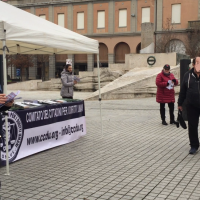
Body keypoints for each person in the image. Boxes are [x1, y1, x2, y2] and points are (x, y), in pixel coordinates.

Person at [178, 57, 200, 155]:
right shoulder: (188, 75)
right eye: (197, 63)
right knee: (192, 126)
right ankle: (194, 145)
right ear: (194, 64)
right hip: (191, 105)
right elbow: (183, 90)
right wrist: (180, 103)